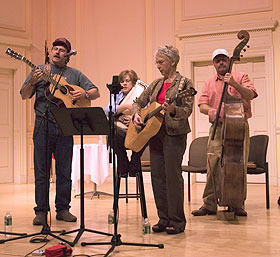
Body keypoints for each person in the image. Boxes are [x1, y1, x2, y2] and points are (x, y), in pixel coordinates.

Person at [20, 37, 100, 225]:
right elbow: (24, 95)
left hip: (65, 126)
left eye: (61, 50)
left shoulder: (74, 74)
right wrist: (32, 81)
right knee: (42, 172)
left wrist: (85, 94)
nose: (57, 51)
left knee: (64, 171)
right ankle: (41, 211)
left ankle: (63, 209)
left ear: (68, 55)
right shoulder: (39, 70)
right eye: (55, 48)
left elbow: (96, 92)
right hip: (42, 126)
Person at [132, 45, 194, 234]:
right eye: (157, 62)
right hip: (154, 134)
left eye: (161, 62)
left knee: (172, 177)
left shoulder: (184, 84)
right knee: (157, 176)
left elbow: (187, 110)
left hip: (174, 134)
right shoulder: (156, 83)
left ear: (173, 61)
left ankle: (176, 221)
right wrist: (136, 114)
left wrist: (173, 110)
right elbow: (138, 102)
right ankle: (163, 218)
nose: (158, 66)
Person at [191, 48, 258, 217]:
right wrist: (210, 111)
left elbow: (251, 94)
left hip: (239, 125)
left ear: (229, 61)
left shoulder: (241, 76)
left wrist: (234, 84)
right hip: (218, 127)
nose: (221, 62)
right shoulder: (208, 82)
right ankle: (209, 204)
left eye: (223, 59)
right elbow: (202, 105)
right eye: (217, 60)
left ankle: (236, 203)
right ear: (213, 63)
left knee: (238, 164)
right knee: (212, 164)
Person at [104, 70, 143, 177]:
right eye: (122, 81)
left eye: (127, 81)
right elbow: (107, 110)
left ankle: (135, 161)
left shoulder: (141, 94)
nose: (124, 84)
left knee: (146, 133)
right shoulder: (117, 95)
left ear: (133, 83)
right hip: (120, 132)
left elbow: (146, 110)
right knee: (111, 132)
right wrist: (125, 107)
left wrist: (133, 117)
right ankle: (123, 161)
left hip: (136, 130)